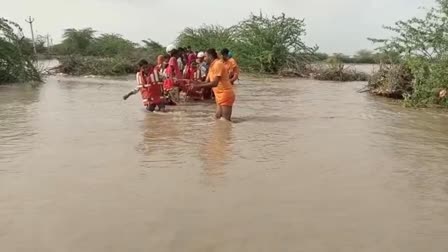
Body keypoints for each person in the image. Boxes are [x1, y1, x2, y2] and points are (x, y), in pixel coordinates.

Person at [191, 48, 235, 121]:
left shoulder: (218, 64)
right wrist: (193, 83)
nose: (204, 59)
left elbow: (215, 83)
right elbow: (206, 82)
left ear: (210, 56)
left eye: (205, 56)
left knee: (225, 121)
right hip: (219, 95)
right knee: (218, 119)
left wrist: (197, 86)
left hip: (225, 94)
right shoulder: (211, 66)